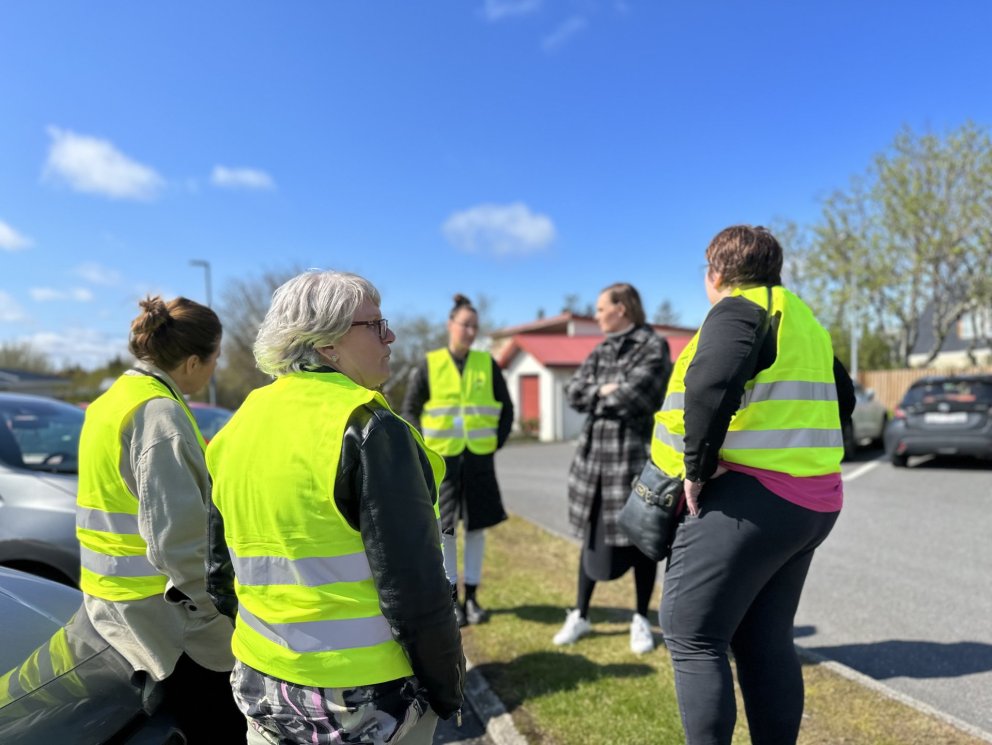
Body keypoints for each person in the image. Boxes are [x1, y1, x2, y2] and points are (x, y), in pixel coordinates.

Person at [205, 270, 464, 745]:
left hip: (262, 683)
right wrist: (448, 689)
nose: (391, 335)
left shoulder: (238, 424)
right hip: (363, 700)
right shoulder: (369, 425)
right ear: (327, 344)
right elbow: (415, 592)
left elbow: (220, 575)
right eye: (376, 324)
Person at [655, 225, 856, 744]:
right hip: (812, 501)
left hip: (753, 501)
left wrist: (696, 470)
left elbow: (710, 384)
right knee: (765, 640)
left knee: (692, 635)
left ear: (716, 272)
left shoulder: (739, 308)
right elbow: (845, 398)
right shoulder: (803, 319)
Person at [75, 296, 241, 742]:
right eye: (216, 357)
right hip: (167, 625)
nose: (216, 369)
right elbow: (180, 545)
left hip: (112, 606)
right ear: (191, 362)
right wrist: (220, 616)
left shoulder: (114, 400)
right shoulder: (159, 415)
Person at [553, 283, 671, 654]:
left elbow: (638, 395)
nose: (598, 314)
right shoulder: (601, 349)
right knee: (591, 539)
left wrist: (602, 393)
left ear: (622, 308)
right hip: (594, 463)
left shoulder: (653, 346)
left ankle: (640, 618)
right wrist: (605, 390)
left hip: (632, 459)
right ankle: (581, 614)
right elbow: (573, 391)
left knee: (641, 541)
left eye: (602, 307)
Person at [401, 293, 513, 627]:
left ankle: (473, 599)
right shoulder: (429, 364)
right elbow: (410, 410)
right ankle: (452, 602)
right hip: (443, 464)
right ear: (450, 325)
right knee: (445, 530)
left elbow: (506, 409)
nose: (471, 331)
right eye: (465, 325)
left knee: (477, 530)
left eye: (476, 326)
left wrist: (495, 442)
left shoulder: (486, 363)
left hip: (479, 461)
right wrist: (421, 451)